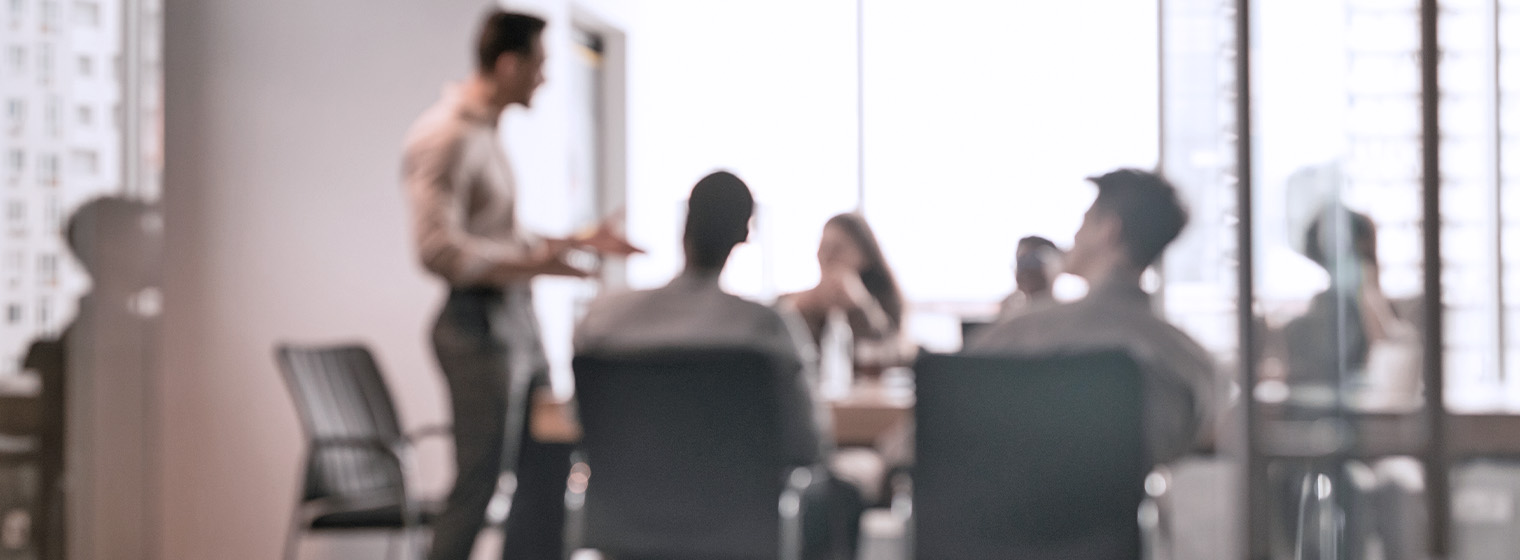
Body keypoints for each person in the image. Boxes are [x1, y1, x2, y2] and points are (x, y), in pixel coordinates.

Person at [401, 10, 638, 560]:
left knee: (546, 472)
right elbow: (439, 250)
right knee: (479, 486)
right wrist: (539, 266)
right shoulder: (445, 137)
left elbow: (499, 235)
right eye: (540, 65)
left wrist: (574, 241)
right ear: (509, 64)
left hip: (515, 327)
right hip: (476, 330)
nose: (545, 78)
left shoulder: (487, 134)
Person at [574, 171, 860, 560]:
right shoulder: (766, 329)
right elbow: (807, 444)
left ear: (684, 225)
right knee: (837, 497)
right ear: (744, 235)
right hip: (740, 528)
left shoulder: (603, 321)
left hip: (627, 526)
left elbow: (585, 426)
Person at [966, 168, 1216, 466]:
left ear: (1108, 231)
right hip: (1124, 511)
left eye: (1084, 221)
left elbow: (941, 415)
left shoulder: (1017, 334)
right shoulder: (1192, 362)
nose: (1074, 235)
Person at [780, 213, 911, 370]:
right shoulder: (793, 303)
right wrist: (799, 314)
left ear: (865, 256)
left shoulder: (885, 303)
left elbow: (892, 357)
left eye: (837, 249)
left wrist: (860, 308)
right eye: (823, 247)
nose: (827, 257)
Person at [996, 235, 1064, 321]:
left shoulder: (1067, 316)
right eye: (1021, 260)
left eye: (1034, 259)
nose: (1025, 269)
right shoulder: (1013, 316)